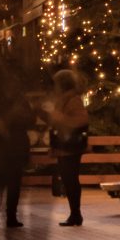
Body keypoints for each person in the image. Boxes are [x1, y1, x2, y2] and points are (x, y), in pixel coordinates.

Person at [0, 70, 35, 229]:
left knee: (9, 182)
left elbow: (30, 119)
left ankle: (5, 216)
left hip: (11, 146)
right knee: (1, 182)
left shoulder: (16, 100)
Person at [43, 67, 91, 227]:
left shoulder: (72, 100)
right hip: (65, 146)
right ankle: (74, 214)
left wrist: (59, 117)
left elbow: (81, 120)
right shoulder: (64, 99)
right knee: (68, 180)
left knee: (71, 180)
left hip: (71, 146)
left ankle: (76, 214)